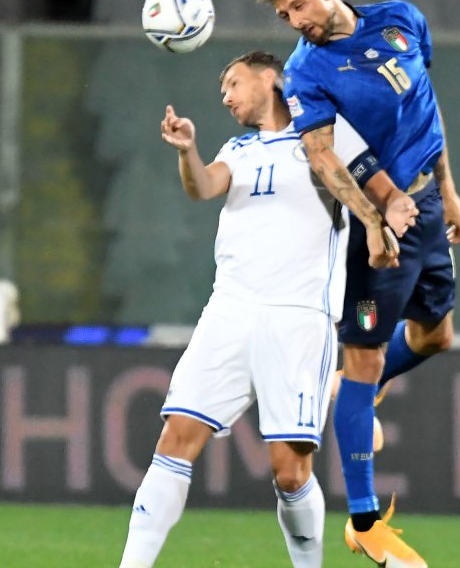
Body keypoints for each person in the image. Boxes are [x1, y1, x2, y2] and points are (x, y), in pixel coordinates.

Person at [256, 0, 460, 567]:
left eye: (298, 5)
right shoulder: (305, 71)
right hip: (380, 225)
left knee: (436, 337)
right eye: (283, 14)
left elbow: (426, 106)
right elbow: (323, 158)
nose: (294, 21)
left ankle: (354, 390)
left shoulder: (402, 20)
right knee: (365, 357)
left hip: (427, 206)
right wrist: (373, 220)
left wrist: (449, 190)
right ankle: (364, 520)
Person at [119, 51, 349, 568]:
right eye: (222, 88)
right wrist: (188, 151)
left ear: (270, 79)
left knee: (289, 472)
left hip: (297, 315)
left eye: (233, 83)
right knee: (176, 436)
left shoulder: (326, 141)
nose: (225, 96)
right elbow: (204, 186)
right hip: (229, 310)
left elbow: (368, 190)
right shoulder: (239, 148)